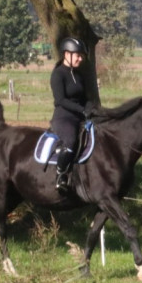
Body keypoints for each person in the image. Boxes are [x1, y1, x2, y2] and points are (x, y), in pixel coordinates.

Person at [50, 36, 94, 191]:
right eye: (78, 55)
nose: (80, 59)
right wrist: (81, 110)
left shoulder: (79, 75)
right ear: (66, 54)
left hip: (80, 116)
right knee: (70, 141)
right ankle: (60, 175)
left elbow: (85, 98)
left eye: (81, 56)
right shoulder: (58, 75)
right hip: (64, 118)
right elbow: (60, 100)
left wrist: (90, 108)